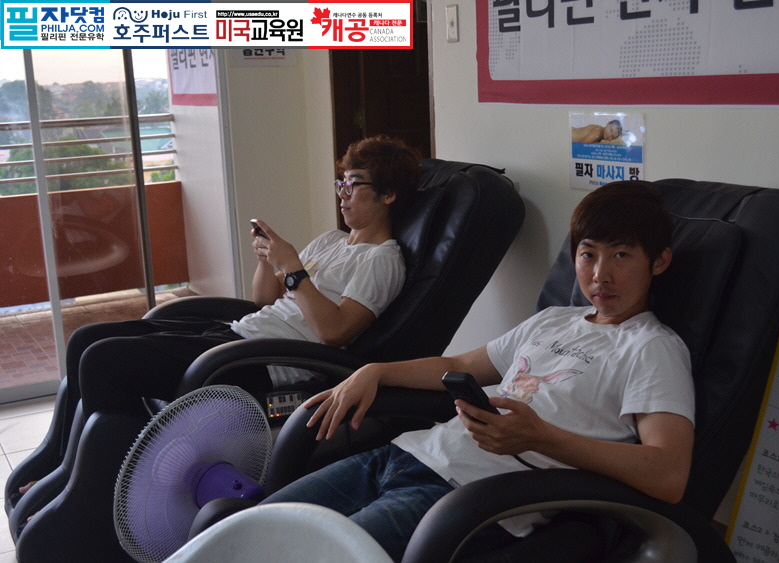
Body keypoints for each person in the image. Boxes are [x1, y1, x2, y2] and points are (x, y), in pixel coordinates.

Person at [258, 181, 695, 561]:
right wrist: (374, 371)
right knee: (259, 529)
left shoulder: (653, 348)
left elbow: (668, 474)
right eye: (588, 254)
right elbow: (460, 365)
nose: (601, 275)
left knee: (317, 554)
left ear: (658, 262)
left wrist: (541, 438)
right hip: (403, 455)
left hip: (468, 498)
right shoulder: (554, 319)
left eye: (621, 255)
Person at [14, 134, 420, 498]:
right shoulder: (331, 240)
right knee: (85, 339)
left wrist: (292, 269)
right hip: (241, 335)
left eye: (354, 184)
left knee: (102, 360)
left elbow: (335, 332)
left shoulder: (383, 261)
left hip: (265, 361)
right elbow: (263, 300)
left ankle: (99, 482)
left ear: (388, 195)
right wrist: (269, 261)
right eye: (340, 182)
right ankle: (63, 465)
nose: (342, 193)